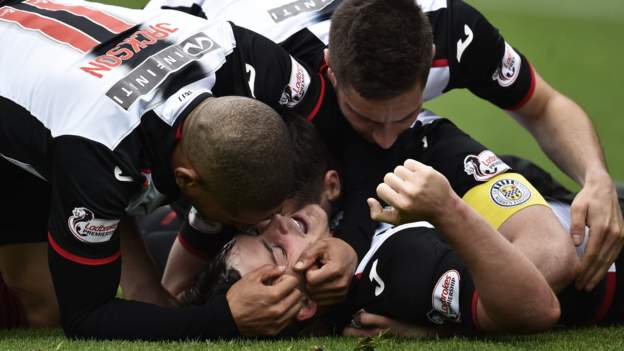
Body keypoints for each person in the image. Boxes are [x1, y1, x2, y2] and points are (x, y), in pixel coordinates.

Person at [146, 0, 623, 293]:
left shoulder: (452, 31)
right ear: (332, 71)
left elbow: (543, 105)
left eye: (406, 115)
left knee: (545, 258)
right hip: (203, 35)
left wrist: (595, 179)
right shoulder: (259, 79)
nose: (388, 138)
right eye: (365, 118)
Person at [0, 0, 358, 339]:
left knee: (43, 305)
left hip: (52, 75)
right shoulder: (95, 147)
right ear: (188, 181)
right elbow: (85, 316)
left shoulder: (243, 55)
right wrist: (225, 319)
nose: (274, 223)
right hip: (51, 93)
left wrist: (351, 245)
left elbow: (355, 144)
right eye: (238, 221)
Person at [181, 119, 623, 337]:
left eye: (259, 230)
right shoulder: (395, 270)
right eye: (276, 250)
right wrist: (447, 208)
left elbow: (166, 261)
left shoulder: (344, 234)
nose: (276, 225)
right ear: (300, 307)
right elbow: (535, 308)